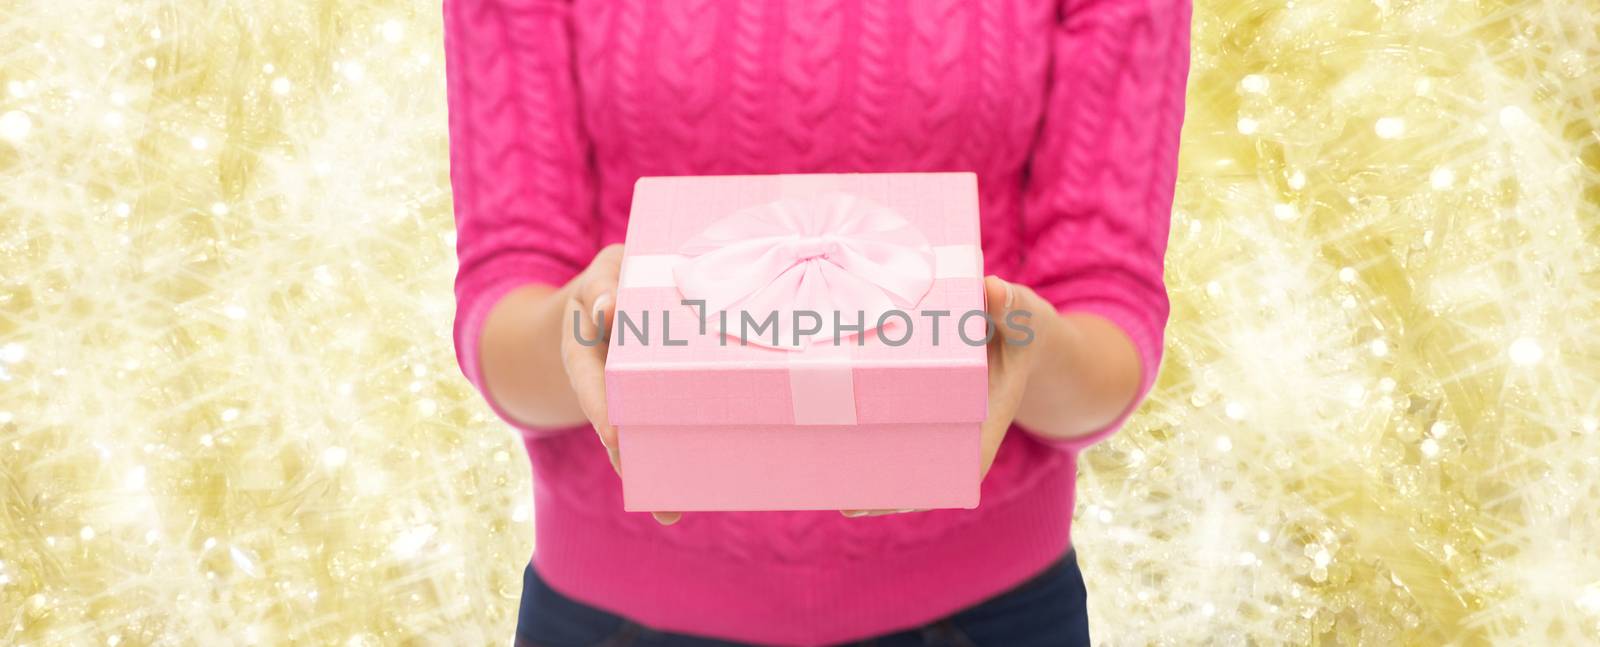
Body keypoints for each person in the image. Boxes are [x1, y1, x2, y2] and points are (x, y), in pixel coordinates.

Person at [443, 0, 1190, 644]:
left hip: (990, 610)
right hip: (613, 612)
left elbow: (1108, 317)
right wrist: (581, 327)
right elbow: (507, 299)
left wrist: (1024, 340)